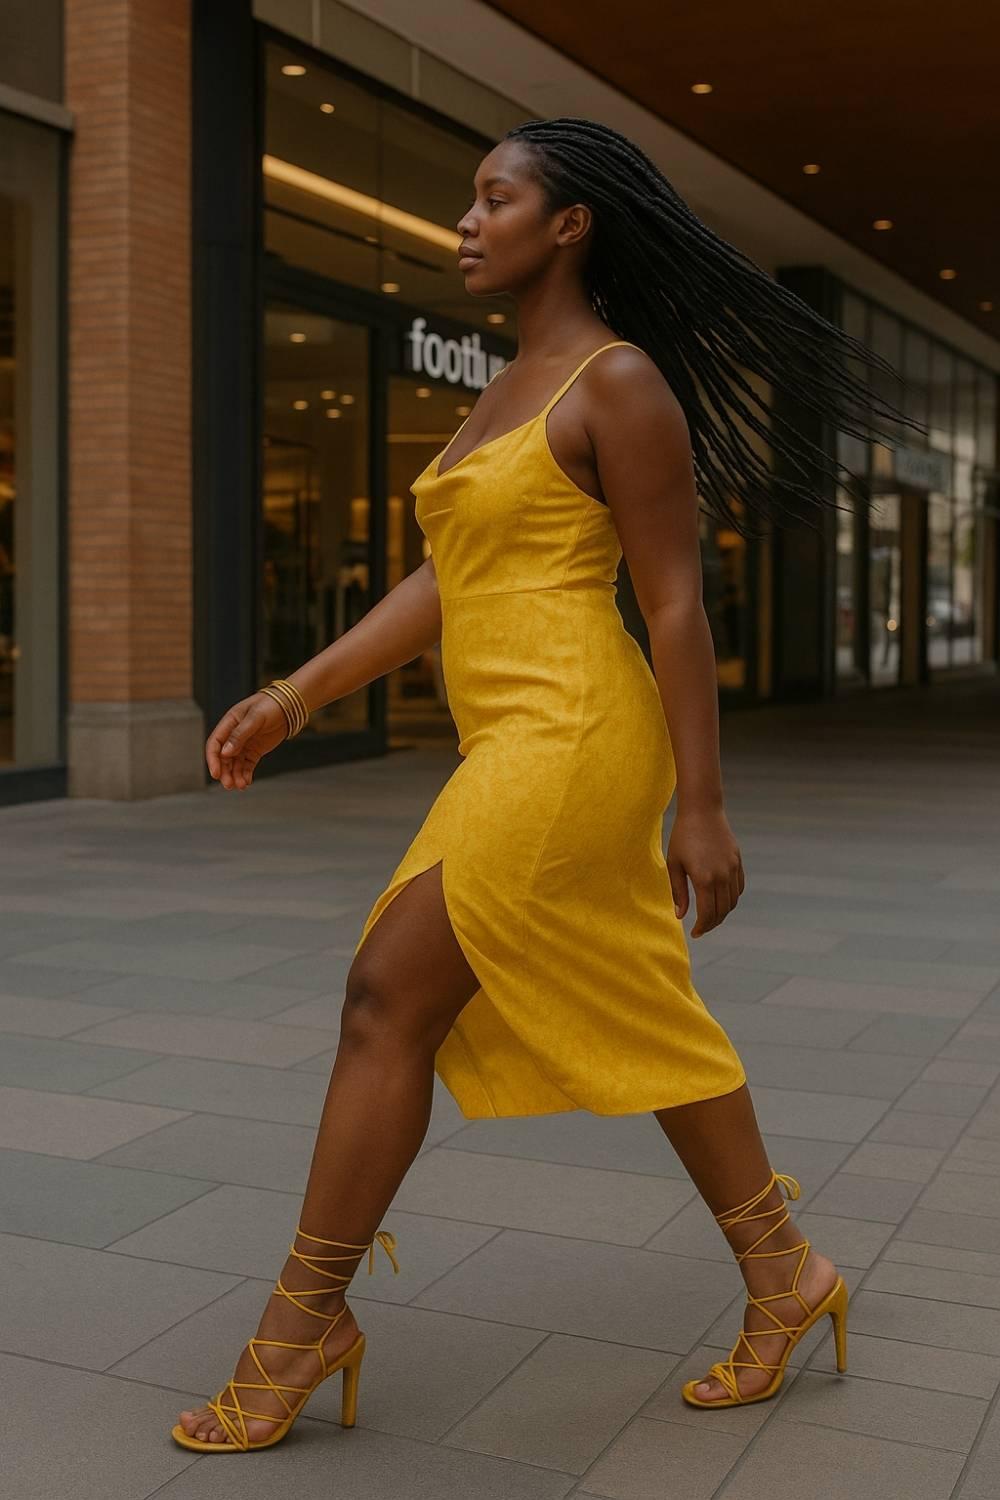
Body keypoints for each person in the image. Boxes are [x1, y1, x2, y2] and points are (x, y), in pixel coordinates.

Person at [173, 115, 922, 1452]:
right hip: (505, 739)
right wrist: (298, 695)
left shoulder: (618, 382)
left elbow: (677, 602)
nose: (465, 221)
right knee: (635, 1004)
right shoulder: (508, 385)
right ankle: (784, 1273)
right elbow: (442, 584)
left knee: (384, 999)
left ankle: (301, 1326)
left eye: (492, 198)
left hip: (573, 736)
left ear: (567, 224)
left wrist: (704, 800)